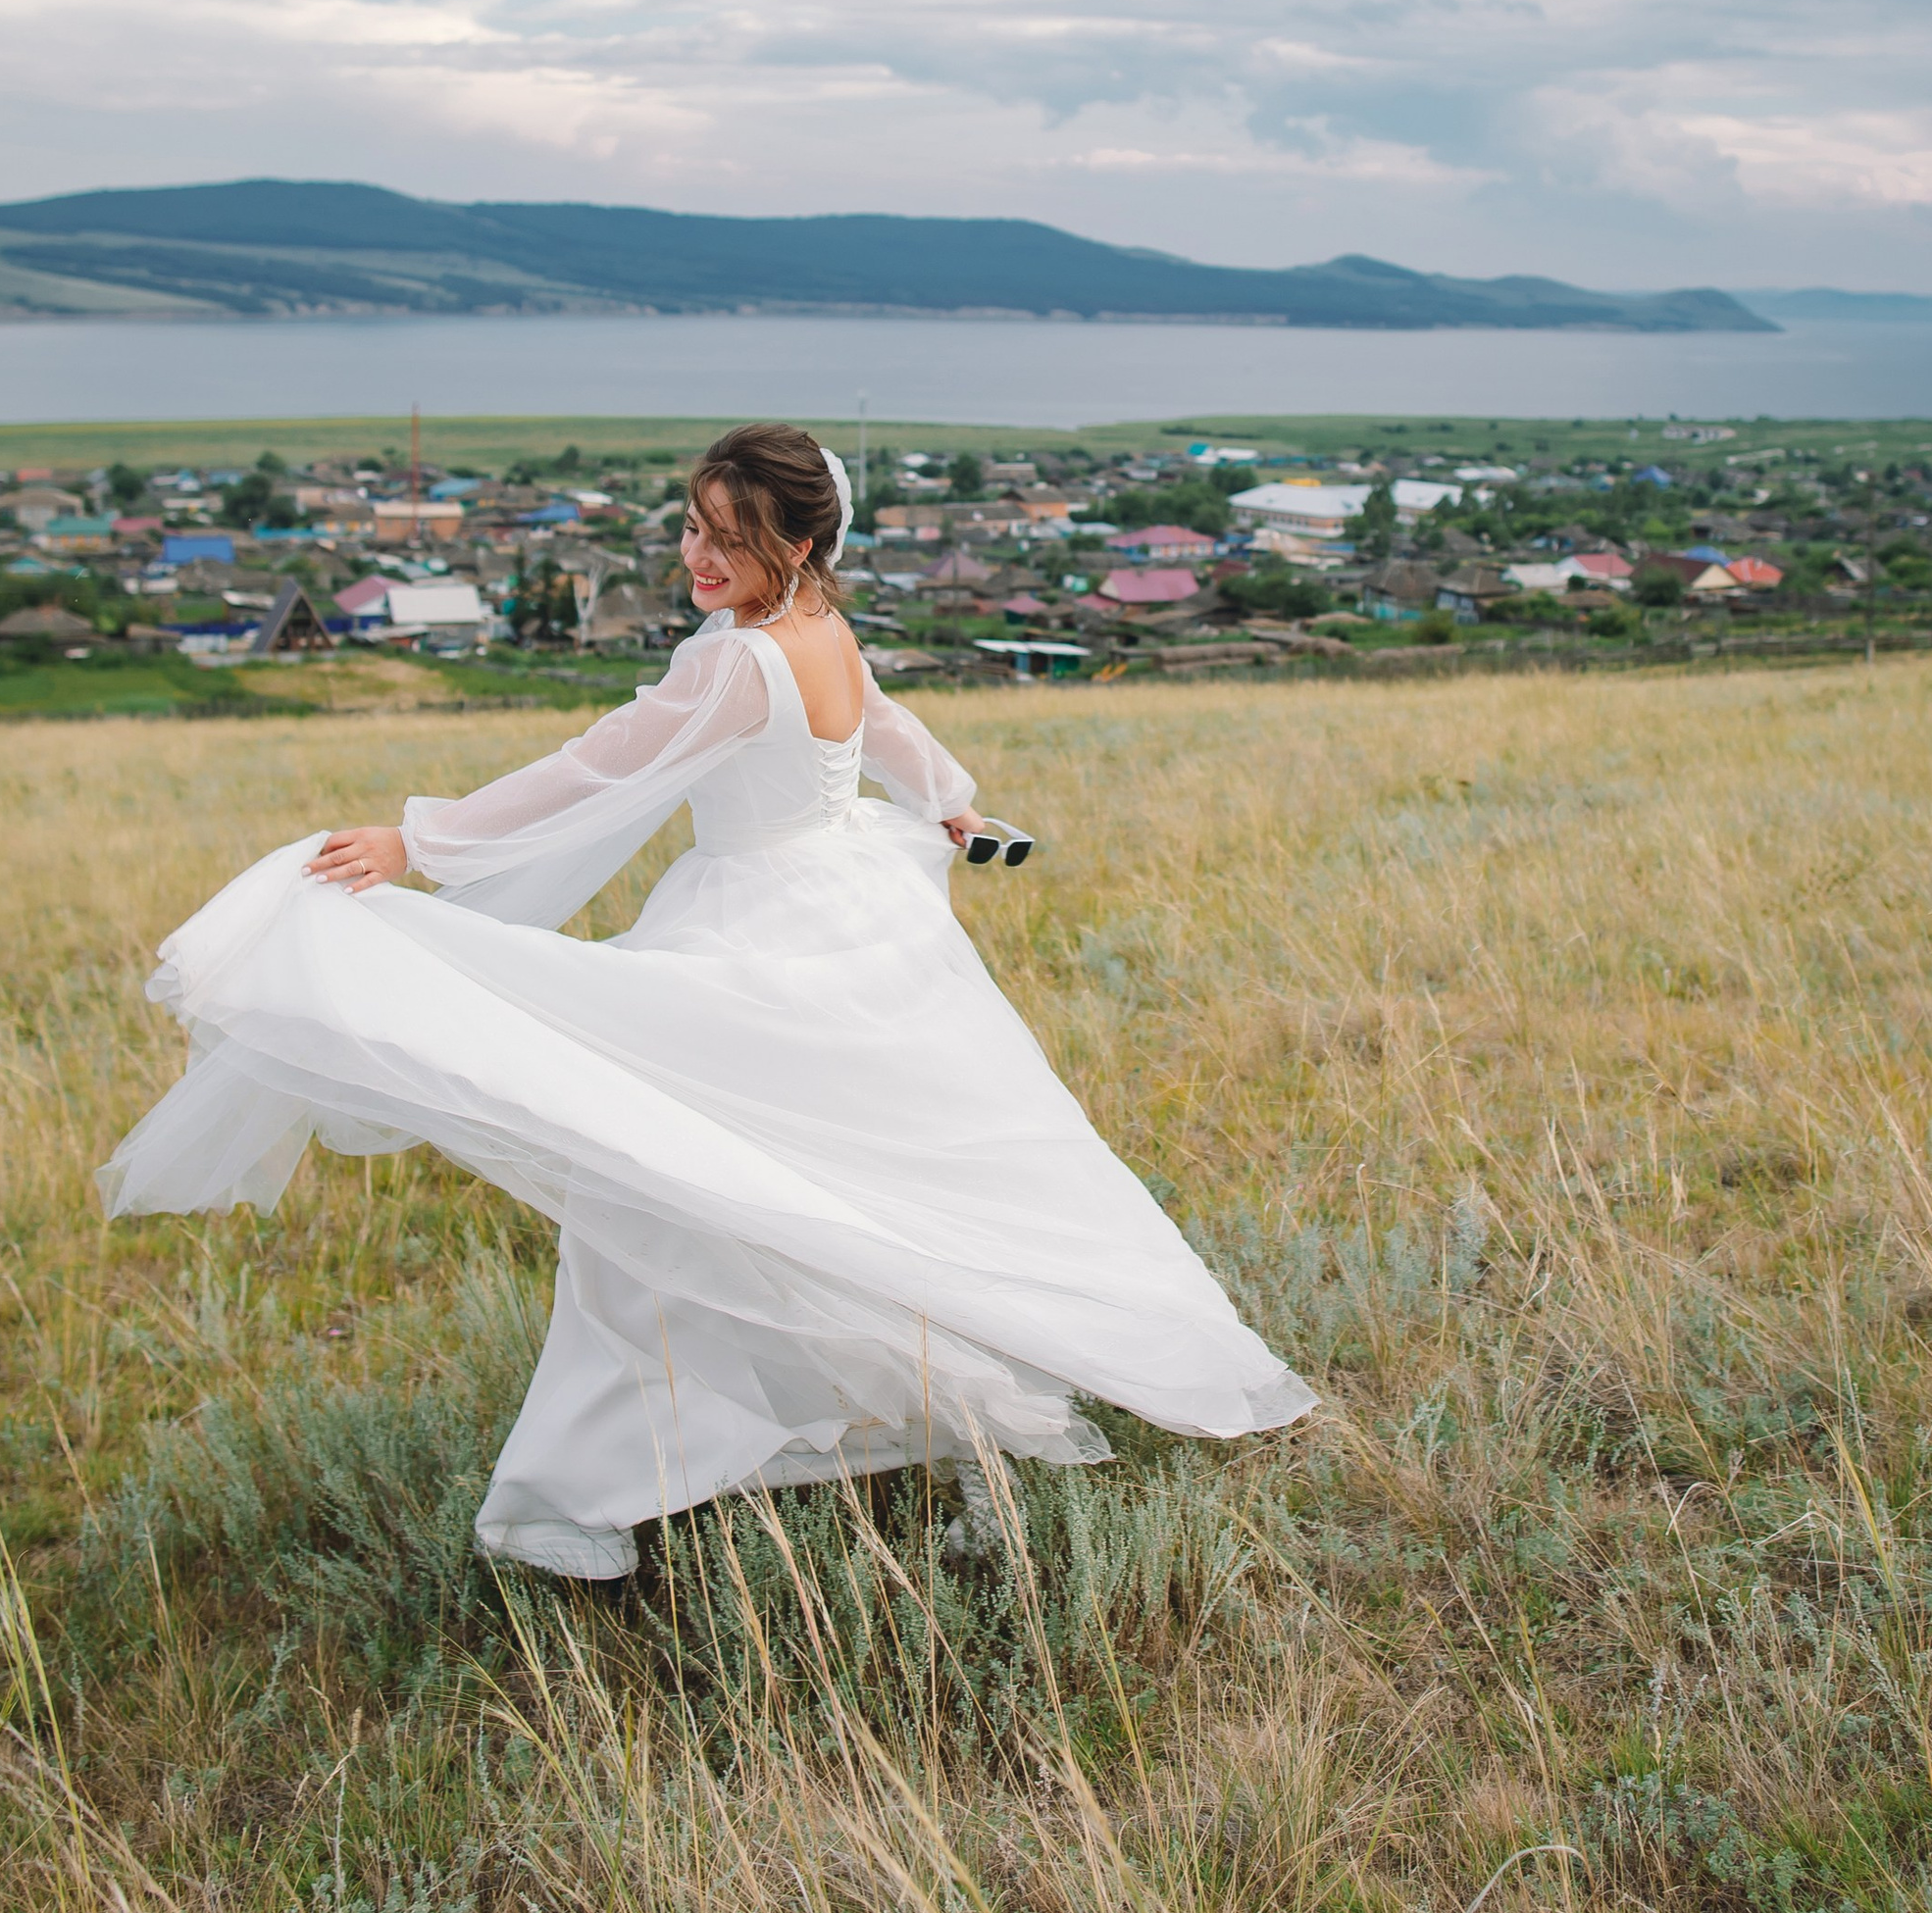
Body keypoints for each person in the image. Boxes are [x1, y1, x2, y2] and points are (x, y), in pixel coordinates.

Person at [101, 421, 1311, 1575]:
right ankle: (916, 1420)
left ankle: (582, 1501)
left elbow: (598, 763)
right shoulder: (820, 621)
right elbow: (881, 720)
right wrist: (949, 798)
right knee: (841, 1191)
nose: (697, 557)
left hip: (758, 933)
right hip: (858, 920)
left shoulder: (737, 659)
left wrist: (416, 841)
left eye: (727, 540)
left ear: (796, 545)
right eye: (692, 528)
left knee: (664, 1207)